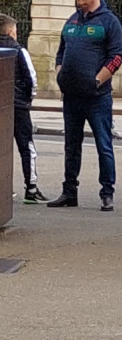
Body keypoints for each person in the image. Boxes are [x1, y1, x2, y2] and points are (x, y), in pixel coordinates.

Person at [48, 0, 122, 211]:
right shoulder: (71, 21)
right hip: (71, 97)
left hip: (97, 98)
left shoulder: (109, 22)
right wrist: (60, 73)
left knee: (104, 144)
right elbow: (61, 52)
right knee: (71, 145)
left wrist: (97, 81)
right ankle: (69, 192)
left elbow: (116, 57)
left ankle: (107, 192)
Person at [0, 14, 48, 203]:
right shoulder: (19, 51)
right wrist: (28, 99)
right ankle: (31, 188)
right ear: (11, 31)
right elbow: (31, 78)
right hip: (18, 105)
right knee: (26, 146)